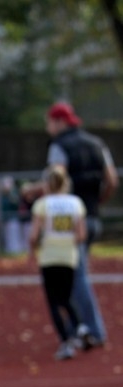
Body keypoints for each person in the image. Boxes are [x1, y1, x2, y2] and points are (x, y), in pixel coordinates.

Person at [45, 101, 119, 347]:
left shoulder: (59, 146)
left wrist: (35, 192)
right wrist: (97, 201)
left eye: (49, 122)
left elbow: (56, 180)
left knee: (75, 277)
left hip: (70, 221)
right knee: (74, 274)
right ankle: (77, 326)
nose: (48, 128)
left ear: (59, 121)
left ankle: (92, 330)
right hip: (92, 216)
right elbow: (111, 179)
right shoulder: (97, 143)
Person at [28, 165, 87, 360]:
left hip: (49, 256)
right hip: (69, 255)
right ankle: (80, 327)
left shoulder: (43, 204)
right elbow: (81, 235)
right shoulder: (76, 203)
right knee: (67, 297)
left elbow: (34, 235)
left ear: (47, 183)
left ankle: (65, 342)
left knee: (54, 301)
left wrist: (33, 251)